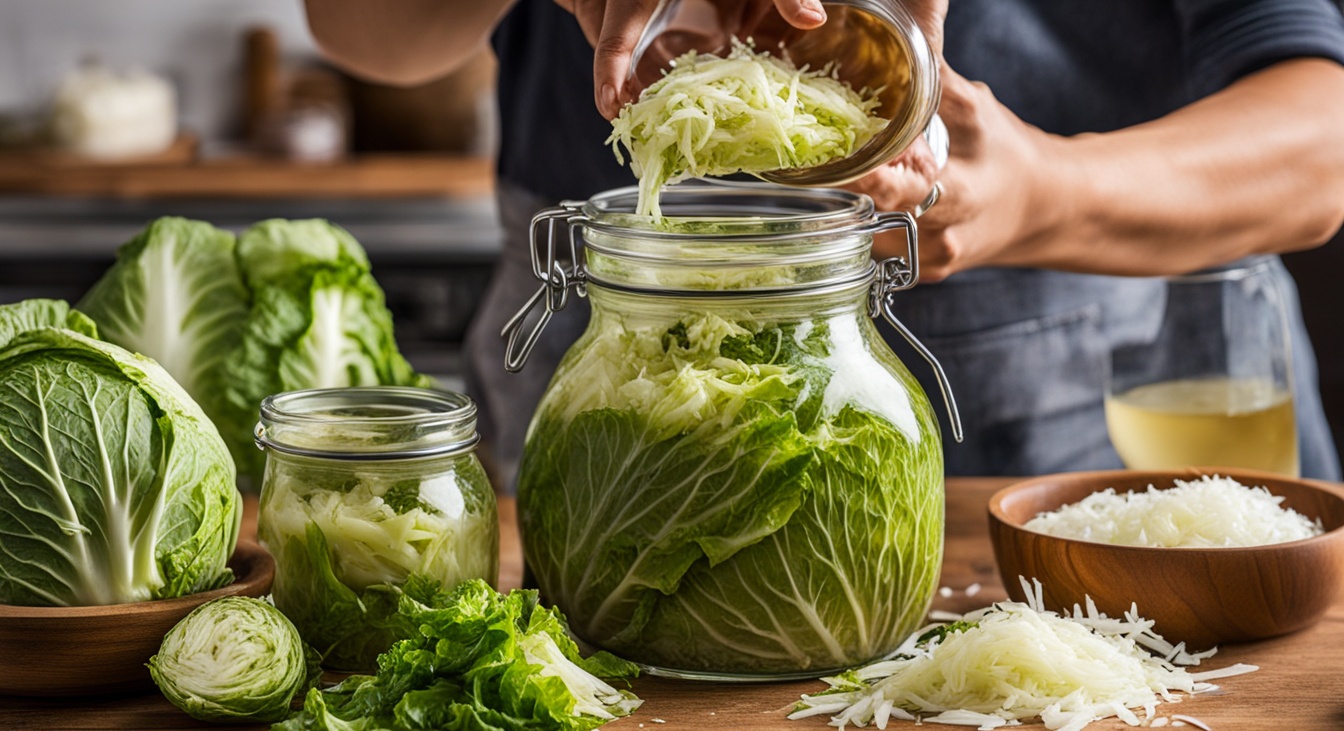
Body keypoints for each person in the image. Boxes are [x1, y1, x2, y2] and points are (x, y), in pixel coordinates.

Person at [304, 0, 1344, 483]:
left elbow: (1319, 140)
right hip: (607, 338)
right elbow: (356, 27)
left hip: (1082, 422)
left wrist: (1047, 195)